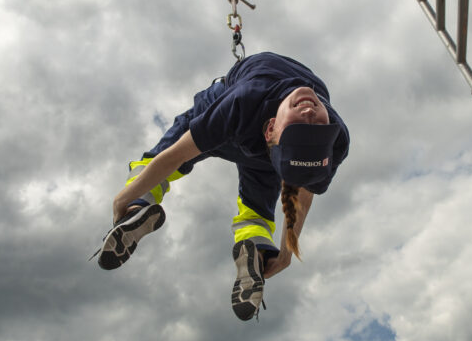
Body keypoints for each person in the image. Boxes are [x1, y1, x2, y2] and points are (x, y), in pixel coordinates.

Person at [96, 52, 349, 322]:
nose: (310, 112)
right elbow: (304, 192)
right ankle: (257, 246)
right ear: (271, 129)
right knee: (258, 206)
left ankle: (141, 203)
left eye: (300, 125)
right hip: (261, 150)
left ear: (272, 129)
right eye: (316, 123)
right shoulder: (335, 136)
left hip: (234, 115)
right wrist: (286, 251)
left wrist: (126, 196)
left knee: (155, 159)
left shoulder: (244, 102)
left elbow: (177, 155)